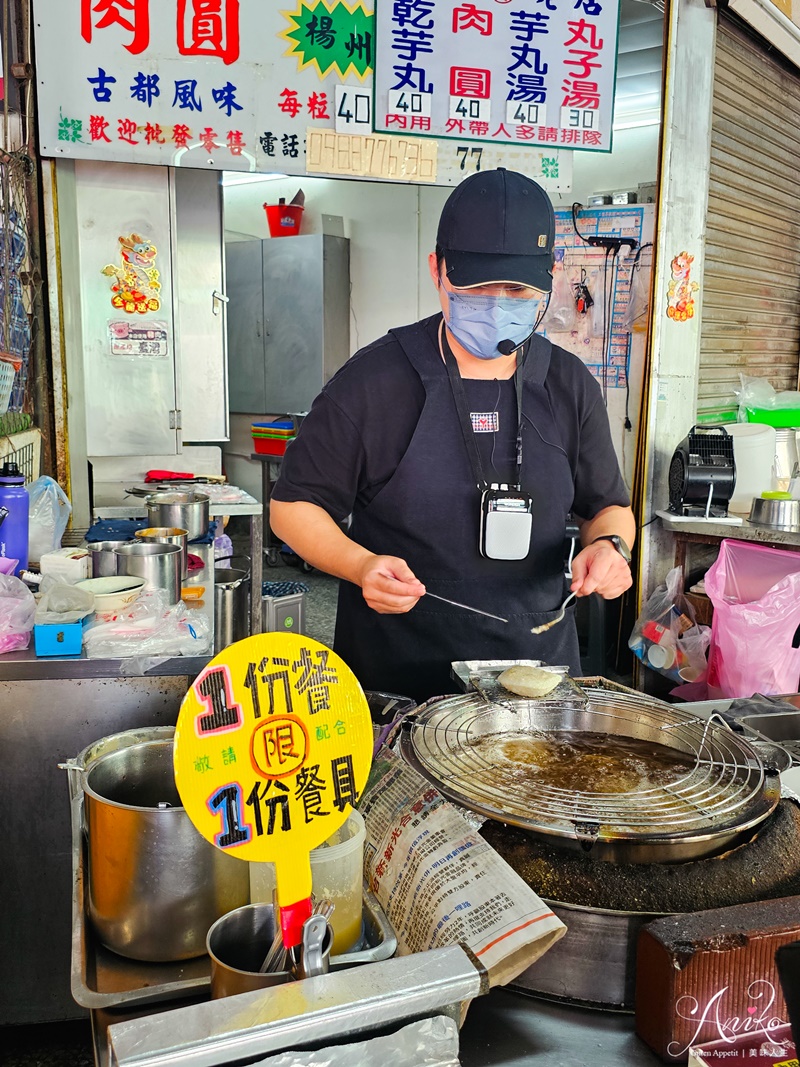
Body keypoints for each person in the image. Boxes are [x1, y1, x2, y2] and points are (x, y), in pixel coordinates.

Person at [270, 168, 635, 702]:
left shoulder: (569, 384)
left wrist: (612, 547)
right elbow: (292, 507)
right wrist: (360, 565)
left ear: (550, 277)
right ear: (437, 270)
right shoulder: (374, 382)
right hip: (398, 680)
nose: (495, 303)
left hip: (538, 684)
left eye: (516, 289)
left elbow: (609, 506)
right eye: (476, 286)